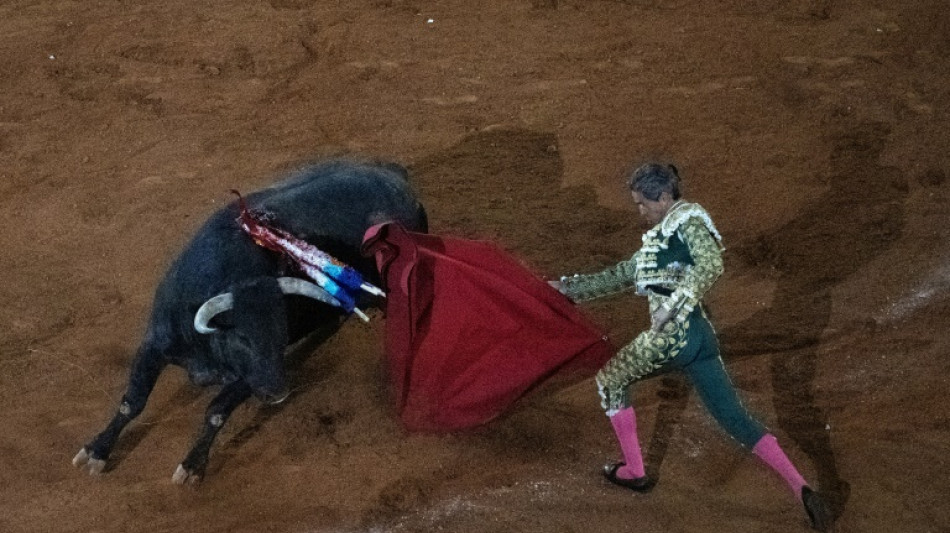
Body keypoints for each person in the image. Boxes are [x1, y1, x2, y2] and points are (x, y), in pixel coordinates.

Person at [549, 163, 832, 531]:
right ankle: (802, 489)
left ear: (665, 197)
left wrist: (673, 305)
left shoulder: (688, 220)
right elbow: (622, 275)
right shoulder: (663, 236)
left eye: (643, 203)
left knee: (610, 380)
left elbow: (711, 263)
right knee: (735, 418)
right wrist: (566, 289)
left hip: (672, 338)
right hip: (700, 337)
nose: (640, 211)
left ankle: (635, 471)